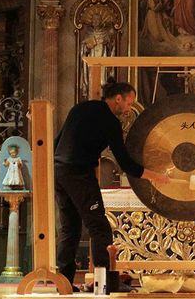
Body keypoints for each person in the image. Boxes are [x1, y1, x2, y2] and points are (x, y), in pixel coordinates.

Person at [54, 80, 170, 288]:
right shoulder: (110, 121)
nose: (128, 109)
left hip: (59, 172)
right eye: (128, 103)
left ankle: (64, 282)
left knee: (69, 228)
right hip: (79, 174)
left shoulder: (80, 108)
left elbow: (56, 142)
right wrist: (156, 177)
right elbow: (125, 163)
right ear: (118, 98)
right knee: (100, 228)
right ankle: (103, 283)